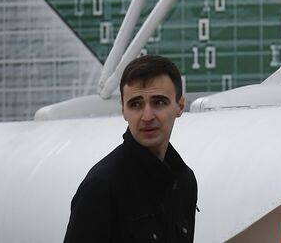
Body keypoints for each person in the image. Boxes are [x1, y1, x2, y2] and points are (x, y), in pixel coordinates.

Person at [64, 54, 197, 243]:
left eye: (159, 102)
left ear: (180, 106)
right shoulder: (101, 187)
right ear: (123, 110)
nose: (147, 116)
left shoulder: (184, 181)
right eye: (136, 104)